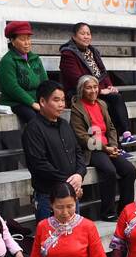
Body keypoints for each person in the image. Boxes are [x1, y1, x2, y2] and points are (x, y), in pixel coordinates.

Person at [58, 22, 136, 148]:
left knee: (116, 96)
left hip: (96, 91)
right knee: (107, 105)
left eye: (88, 34)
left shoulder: (93, 51)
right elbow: (78, 80)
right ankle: (115, 146)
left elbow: (103, 73)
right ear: (74, 36)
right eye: (82, 33)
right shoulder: (68, 54)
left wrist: (109, 87)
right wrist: (100, 91)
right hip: (79, 93)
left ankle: (126, 135)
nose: (86, 36)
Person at [70, 75, 136, 222]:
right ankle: (108, 212)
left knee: (129, 170)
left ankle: (126, 210)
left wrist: (113, 145)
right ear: (82, 90)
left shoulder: (101, 104)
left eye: (95, 87)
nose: (93, 90)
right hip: (91, 150)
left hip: (108, 147)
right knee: (109, 171)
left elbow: (111, 127)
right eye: (88, 87)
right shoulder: (77, 109)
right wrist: (105, 148)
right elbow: (82, 137)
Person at [22, 81, 87, 222]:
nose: (61, 104)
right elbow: (39, 165)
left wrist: (79, 175)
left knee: (73, 239)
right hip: (49, 198)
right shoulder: (33, 129)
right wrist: (69, 182)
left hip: (71, 194)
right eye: (56, 100)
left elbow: (78, 153)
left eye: (63, 100)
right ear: (42, 102)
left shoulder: (64, 124)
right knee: (50, 241)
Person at [0, 21, 47, 125]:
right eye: (22, 39)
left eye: (28, 38)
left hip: (36, 101)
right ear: (12, 41)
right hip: (16, 102)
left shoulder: (35, 59)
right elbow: (12, 88)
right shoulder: (7, 61)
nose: (27, 42)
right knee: (34, 119)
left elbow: (45, 82)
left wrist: (47, 100)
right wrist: (32, 103)